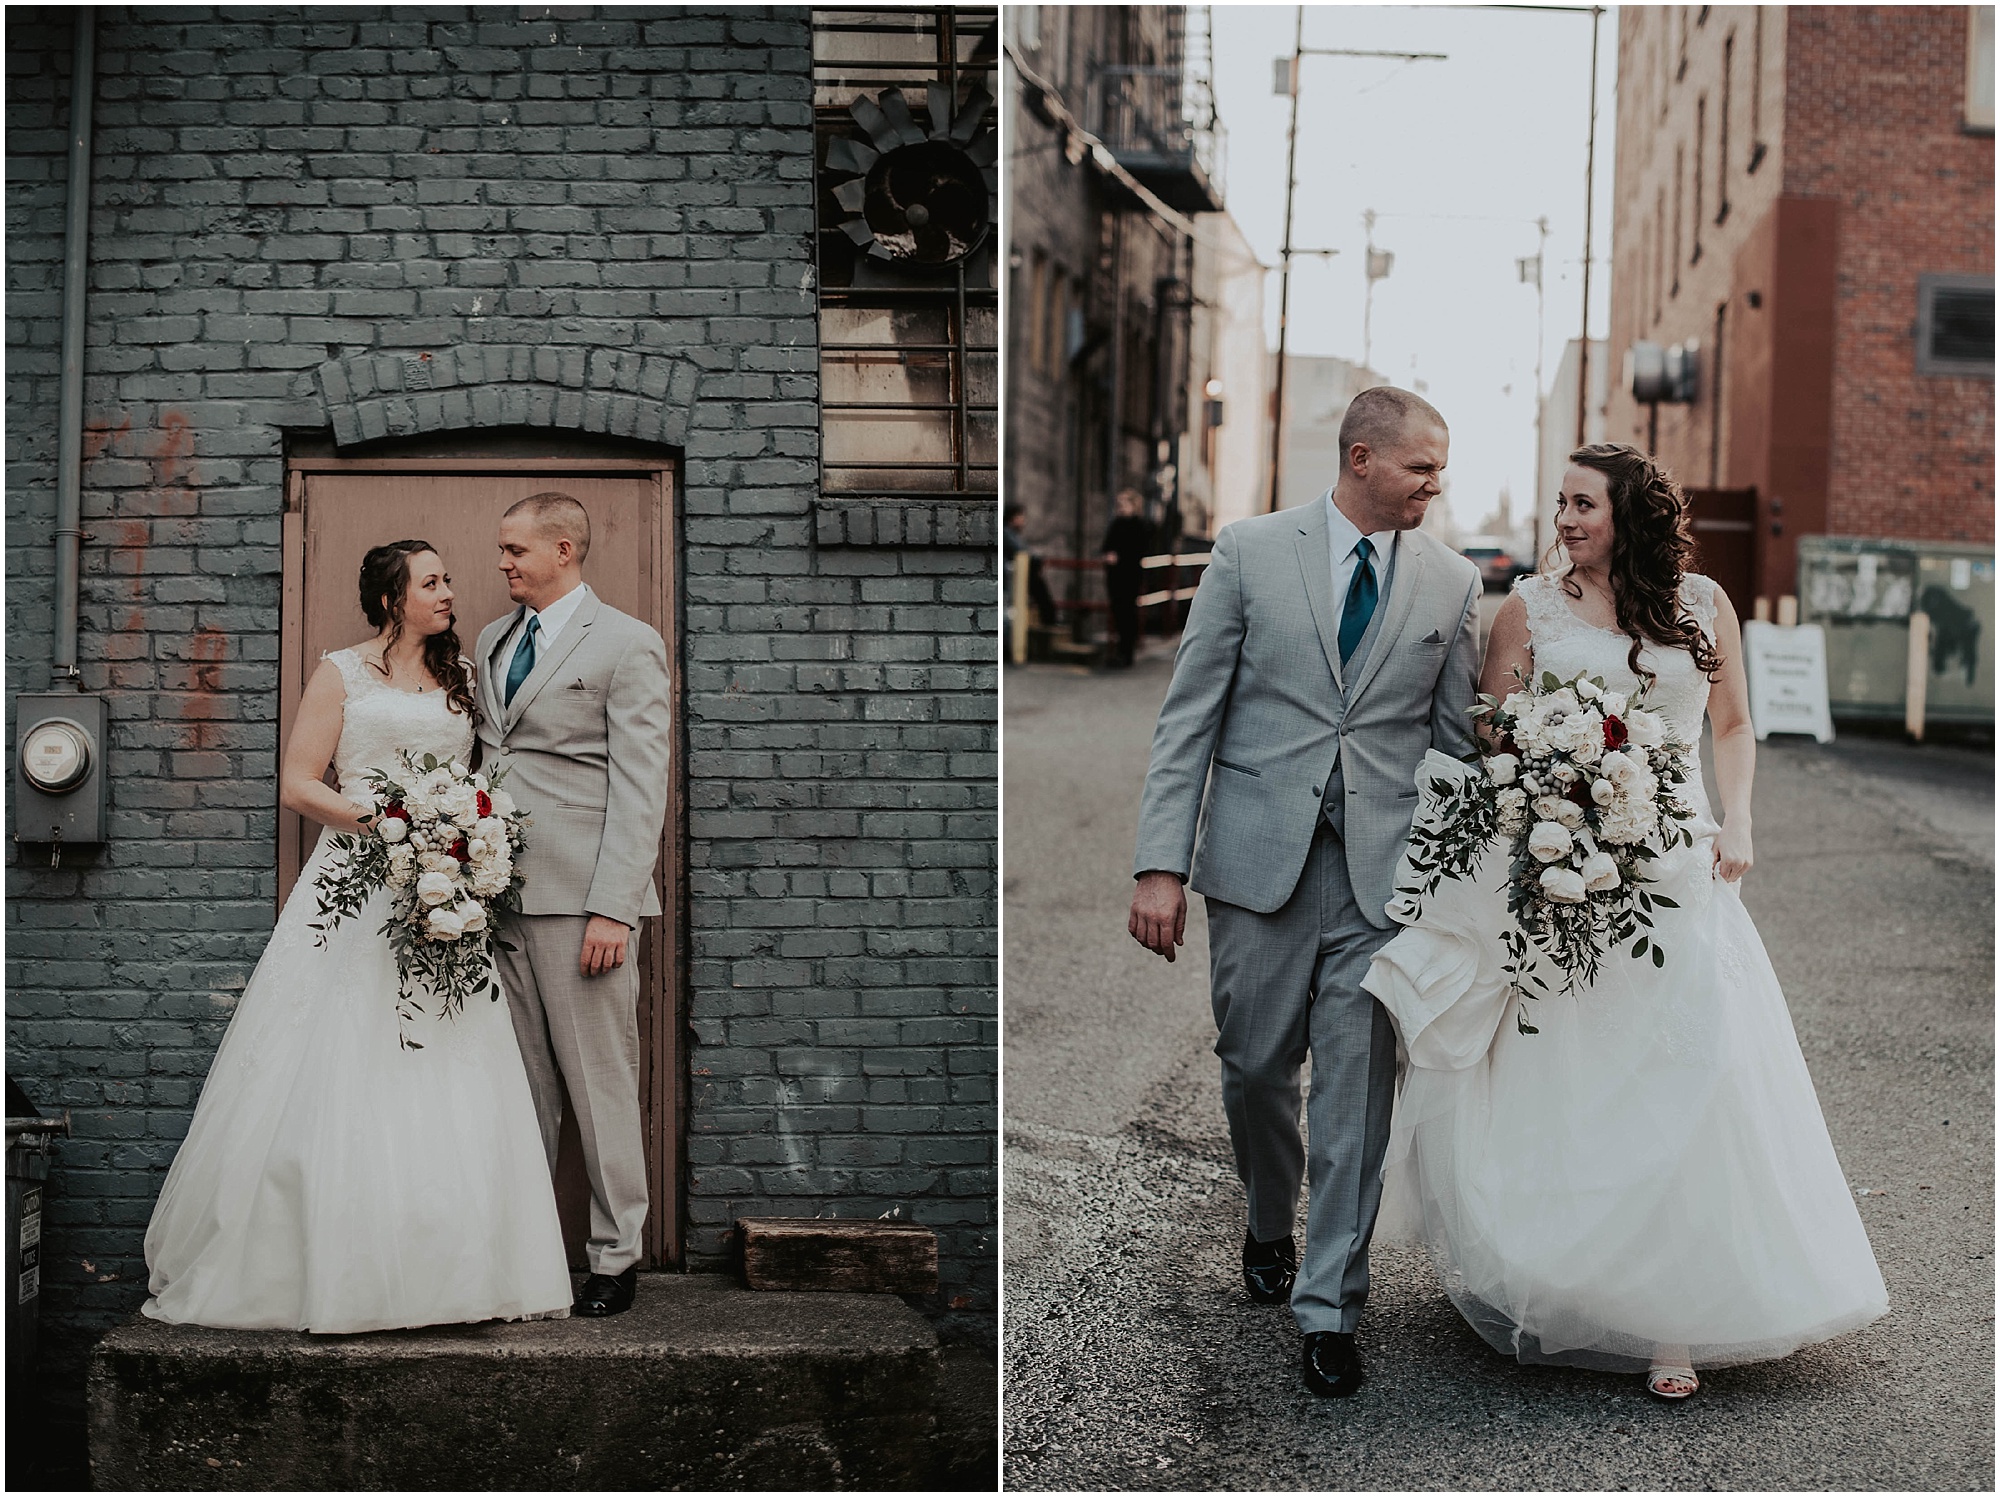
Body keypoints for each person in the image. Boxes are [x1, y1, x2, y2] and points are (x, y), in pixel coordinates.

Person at [1364, 444, 1888, 1400]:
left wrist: (1741, 816)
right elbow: (1490, 724)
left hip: (1679, 862)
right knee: (1572, 1068)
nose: (1564, 519)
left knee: (1690, 1071)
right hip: (1565, 859)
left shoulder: (1707, 605)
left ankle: (1672, 1320)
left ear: (1630, 513)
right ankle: (1565, 1275)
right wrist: (1550, 775)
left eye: (1582, 503)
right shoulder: (1529, 607)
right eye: (1559, 502)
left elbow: (1730, 725)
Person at [1128, 387, 1482, 1398]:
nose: (1434, 484)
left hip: (1383, 880)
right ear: (1362, 458)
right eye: (1420, 466)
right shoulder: (1248, 552)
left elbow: (1455, 744)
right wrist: (1160, 863)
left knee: (1357, 1099)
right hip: (1255, 867)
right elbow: (1185, 717)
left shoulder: (1451, 583)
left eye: (1439, 469)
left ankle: (1329, 1308)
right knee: (1249, 1068)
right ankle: (1267, 1219)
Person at [143, 541, 571, 1333]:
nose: (450, 592)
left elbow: (480, 777)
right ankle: (333, 1263)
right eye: (433, 582)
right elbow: (301, 780)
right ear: (390, 600)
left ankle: (456, 1266)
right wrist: (385, 818)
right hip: (358, 879)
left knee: (449, 1056)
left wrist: (467, 827)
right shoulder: (341, 672)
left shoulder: (462, 678)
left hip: (442, 884)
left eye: (449, 578)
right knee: (343, 1055)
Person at [476, 493, 672, 1319]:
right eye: (501, 549)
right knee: (518, 1090)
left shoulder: (628, 644)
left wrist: (614, 909)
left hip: (582, 904)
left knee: (599, 1085)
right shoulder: (491, 640)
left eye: (517, 549)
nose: (503, 563)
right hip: (493, 901)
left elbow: (640, 784)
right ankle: (526, 1255)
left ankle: (615, 1254)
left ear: (564, 549)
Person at [1100, 488, 1154, 669]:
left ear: (1133, 505)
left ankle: (1126, 653)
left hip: (1129, 575)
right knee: (1117, 611)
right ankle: (1119, 652)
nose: (1120, 507)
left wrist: (1119, 556)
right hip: (1115, 575)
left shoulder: (1139, 525)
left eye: (1124, 503)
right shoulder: (1116, 523)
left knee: (1128, 613)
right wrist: (1109, 555)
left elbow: (1140, 549)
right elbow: (1106, 545)